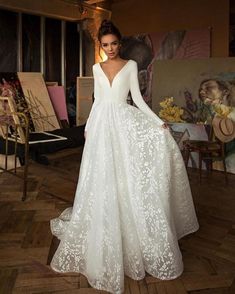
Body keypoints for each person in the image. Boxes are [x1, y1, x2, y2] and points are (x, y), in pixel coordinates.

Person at [50, 20, 199, 294]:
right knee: (102, 178)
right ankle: (104, 228)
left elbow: (138, 100)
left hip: (123, 123)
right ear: (101, 46)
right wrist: (89, 128)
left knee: (126, 176)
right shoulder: (95, 68)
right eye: (105, 45)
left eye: (114, 43)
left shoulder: (130, 66)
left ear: (120, 43)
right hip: (101, 127)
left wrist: (157, 123)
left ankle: (130, 232)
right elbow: (97, 101)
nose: (110, 49)